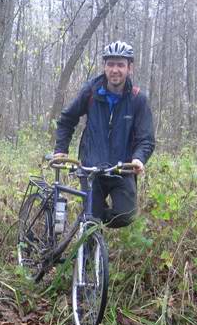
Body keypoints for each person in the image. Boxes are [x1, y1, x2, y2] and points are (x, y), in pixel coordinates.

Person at [54, 40, 155, 228]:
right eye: (110, 64)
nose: (115, 70)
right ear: (104, 66)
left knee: (125, 216)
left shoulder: (137, 99)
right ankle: (88, 252)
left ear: (129, 68)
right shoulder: (91, 92)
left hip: (121, 168)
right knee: (92, 220)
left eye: (120, 65)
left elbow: (146, 138)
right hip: (91, 168)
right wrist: (61, 149)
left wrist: (139, 158)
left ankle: (91, 221)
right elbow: (67, 119)